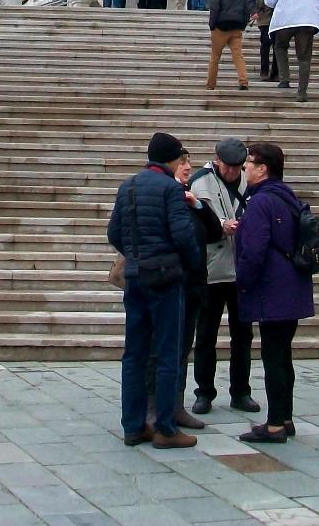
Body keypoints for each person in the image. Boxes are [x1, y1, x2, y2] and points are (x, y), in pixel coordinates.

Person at [107, 132, 203, 449]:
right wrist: (190, 263)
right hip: (165, 278)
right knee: (167, 353)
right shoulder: (170, 189)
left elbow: (114, 232)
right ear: (172, 159)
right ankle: (165, 427)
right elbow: (183, 235)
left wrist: (136, 255)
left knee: (134, 354)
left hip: (136, 277)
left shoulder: (128, 186)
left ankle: (133, 426)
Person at [234, 141, 314, 443]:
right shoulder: (287, 196)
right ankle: (285, 417)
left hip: (272, 288)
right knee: (282, 354)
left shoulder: (261, 202)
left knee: (274, 356)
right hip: (292, 285)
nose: (245, 167)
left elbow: (253, 250)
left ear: (263, 168)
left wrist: (243, 281)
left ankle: (275, 424)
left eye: (249, 162)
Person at [145, 146, 222, 432]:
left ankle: (175, 405)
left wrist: (198, 205)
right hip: (169, 283)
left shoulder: (188, 198)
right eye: (182, 162)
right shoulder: (164, 196)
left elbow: (215, 233)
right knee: (159, 349)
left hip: (192, 287)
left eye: (189, 162)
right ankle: (154, 407)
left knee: (181, 348)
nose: (188, 167)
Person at [190, 138, 259, 419]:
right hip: (211, 270)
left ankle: (241, 391)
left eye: (237, 167)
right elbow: (194, 222)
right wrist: (220, 226)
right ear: (217, 160)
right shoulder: (199, 182)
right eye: (228, 166)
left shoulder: (250, 181)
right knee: (206, 334)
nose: (232, 172)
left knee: (243, 335)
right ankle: (204, 392)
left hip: (242, 269)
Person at [263, 0, 319, 103]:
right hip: (307, 21)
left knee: (280, 47)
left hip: (284, 20)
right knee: (304, 58)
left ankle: (284, 79)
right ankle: (302, 93)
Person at [205, 0, 249, 90]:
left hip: (220, 26)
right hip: (236, 27)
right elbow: (246, 9)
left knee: (215, 56)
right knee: (238, 55)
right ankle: (243, 81)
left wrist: (212, 25)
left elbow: (215, 7)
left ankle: (211, 84)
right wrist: (243, 25)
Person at [245, 0, 283, 82]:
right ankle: (264, 72)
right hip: (265, 16)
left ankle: (276, 73)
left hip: (280, 17)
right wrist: (253, 11)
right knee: (266, 43)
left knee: (278, 45)